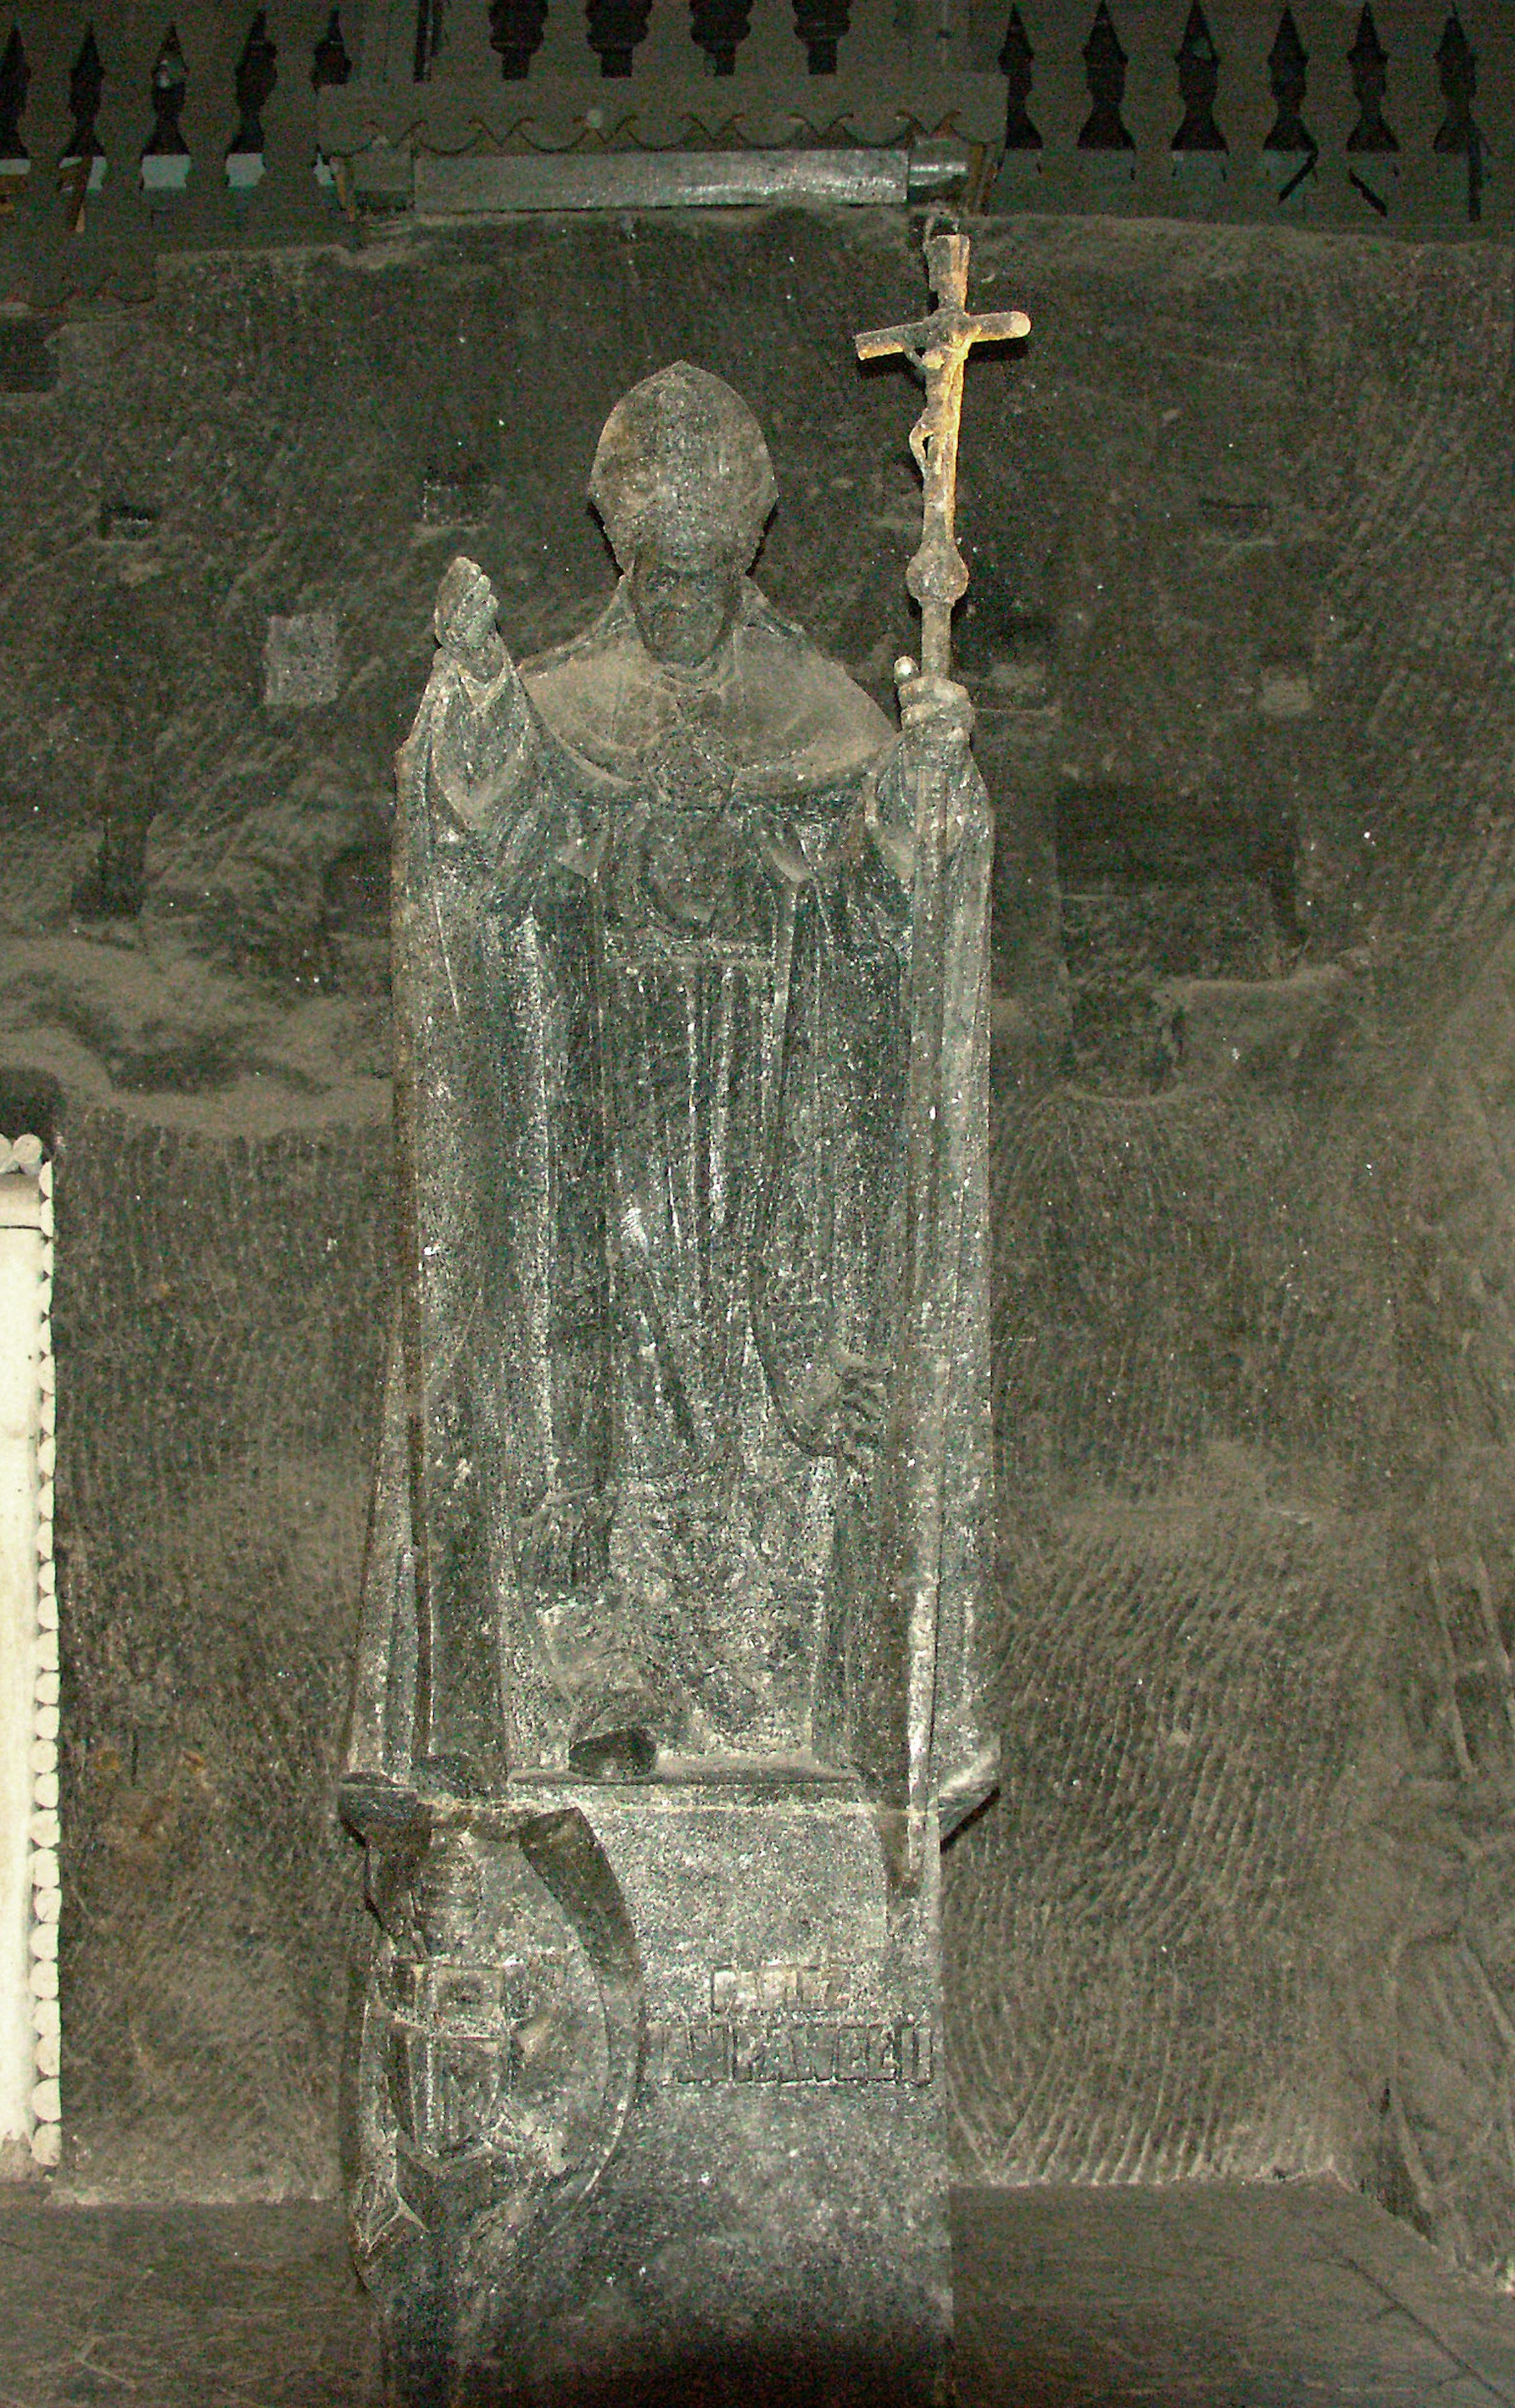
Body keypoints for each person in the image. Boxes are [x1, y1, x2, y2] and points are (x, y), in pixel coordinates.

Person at [368, 362, 982, 1785]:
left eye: (708, 578)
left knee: (762, 1420)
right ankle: (603, 1688)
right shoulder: (561, 704)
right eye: (661, 577)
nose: (685, 606)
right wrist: (466, 701)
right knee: (600, 1391)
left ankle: (763, 1696)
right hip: (594, 1119)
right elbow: (485, 840)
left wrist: (919, 788)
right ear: (623, 558)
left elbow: (882, 901)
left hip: (773, 1121)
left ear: (746, 556)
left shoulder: (816, 712)